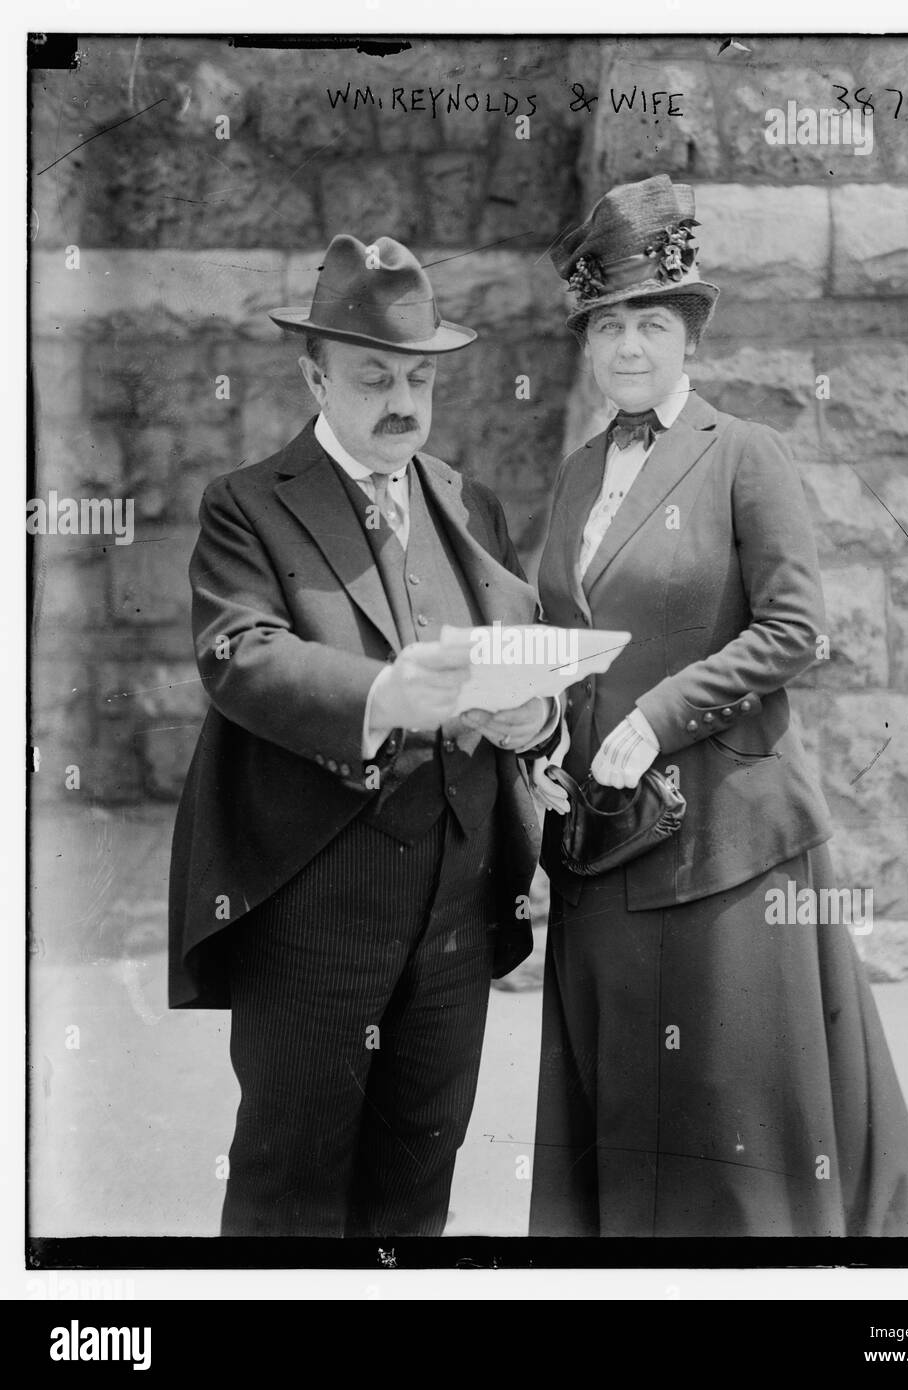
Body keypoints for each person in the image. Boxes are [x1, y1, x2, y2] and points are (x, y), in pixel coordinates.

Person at [527, 175, 908, 1238]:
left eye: (647, 324)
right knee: (622, 1100)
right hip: (602, 841)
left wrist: (655, 715)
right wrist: (544, 743)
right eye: (606, 326)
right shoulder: (573, 477)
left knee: (724, 1101)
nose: (625, 348)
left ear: (686, 334)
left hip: (723, 835)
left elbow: (794, 630)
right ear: (585, 341)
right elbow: (568, 638)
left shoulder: (743, 453)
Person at [168, 234, 560, 1237]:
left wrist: (534, 713)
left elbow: (521, 650)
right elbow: (239, 655)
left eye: (418, 376)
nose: (402, 399)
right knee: (289, 1184)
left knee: (415, 1183)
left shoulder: (467, 501)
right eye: (373, 376)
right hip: (315, 900)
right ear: (315, 376)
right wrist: (384, 692)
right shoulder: (249, 505)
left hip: (455, 904)